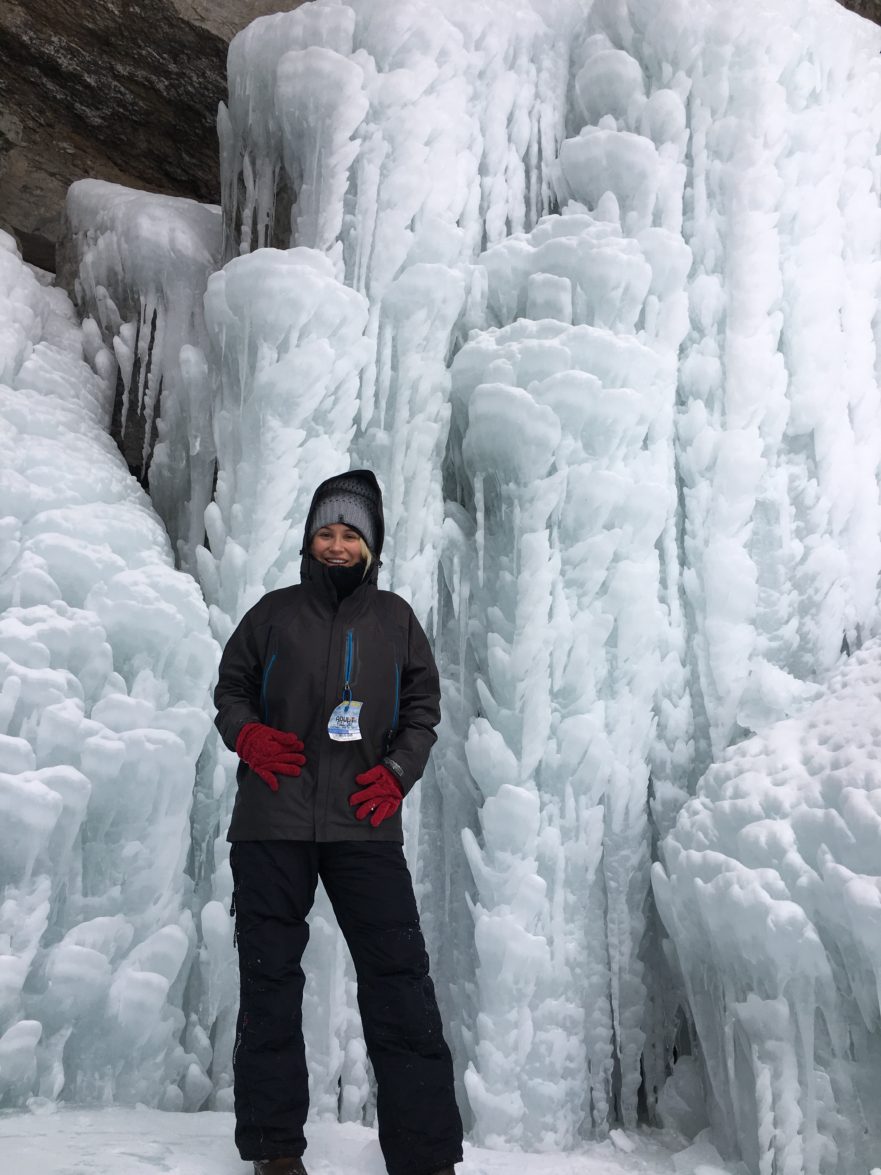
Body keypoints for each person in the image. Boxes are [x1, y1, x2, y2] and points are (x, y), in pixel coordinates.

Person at [214, 470, 463, 1175]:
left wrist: (397, 774)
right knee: (269, 982)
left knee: (398, 979)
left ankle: (424, 1155)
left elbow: (421, 710)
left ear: (371, 544)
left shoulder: (395, 621)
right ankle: (273, 1147)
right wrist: (247, 736)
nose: (335, 543)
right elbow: (230, 687)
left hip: (365, 822)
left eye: (349, 532)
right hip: (271, 820)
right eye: (325, 531)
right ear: (308, 539)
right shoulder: (271, 614)